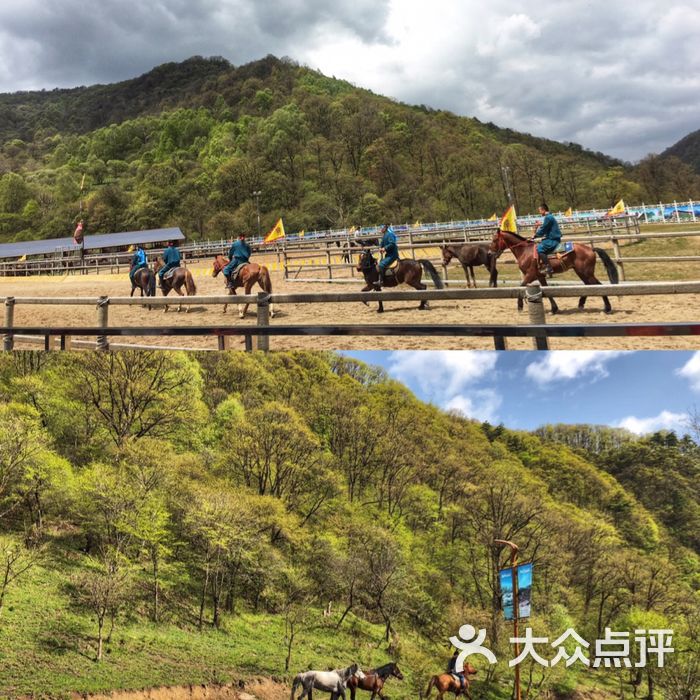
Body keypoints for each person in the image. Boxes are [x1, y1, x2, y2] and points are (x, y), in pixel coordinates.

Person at [532, 203, 561, 277]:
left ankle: (549, 267)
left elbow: (543, 229)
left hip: (553, 239)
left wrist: (535, 235)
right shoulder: (550, 216)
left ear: (543, 210)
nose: (539, 212)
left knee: (539, 248)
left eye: (539, 211)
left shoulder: (548, 218)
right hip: (551, 238)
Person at [377, 223, 399, 289]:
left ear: (385, 228)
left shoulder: (389, 235)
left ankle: (381, 281)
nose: (380, 229)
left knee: (381, 265)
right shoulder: (384, 236)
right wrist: (380, 247)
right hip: (388, 255)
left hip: (392, 255)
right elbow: (381, 243)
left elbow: (392, 243)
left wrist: (385, 248)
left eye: (381, 228)